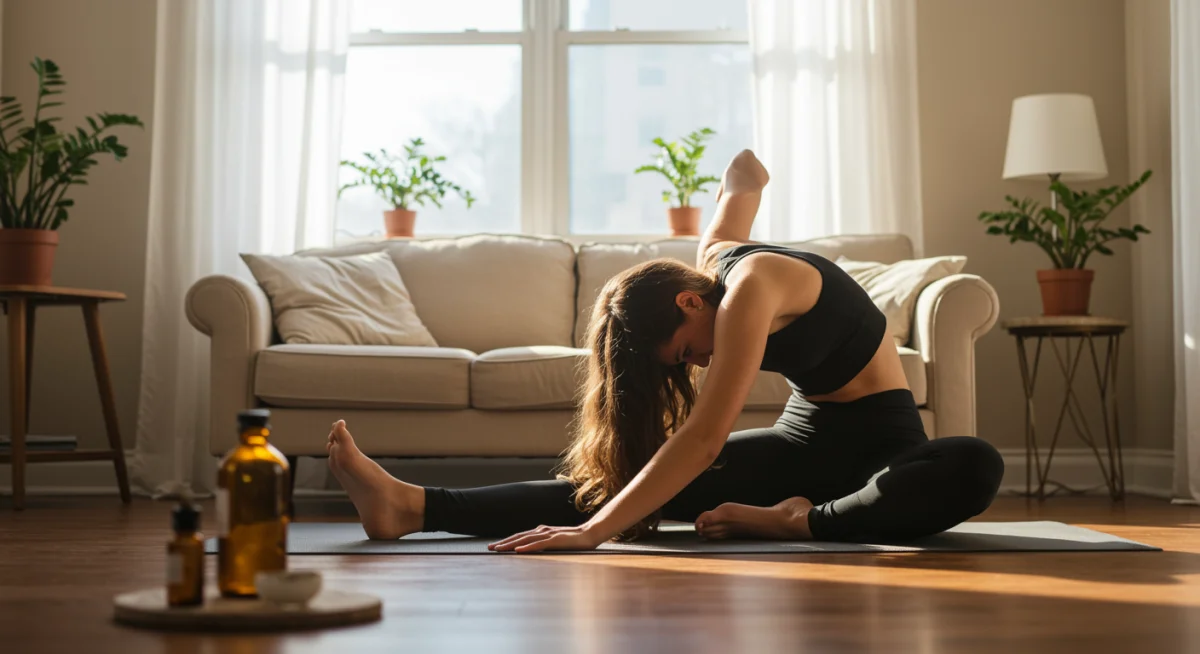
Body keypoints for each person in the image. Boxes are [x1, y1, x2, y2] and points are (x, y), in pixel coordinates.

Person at [325, 150, 1003, 553]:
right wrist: (746, 179)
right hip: (804, 443)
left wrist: (592, 536)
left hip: (884, 449)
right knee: (626, 489)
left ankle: (798, 522)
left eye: (682, 353)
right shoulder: (713, 261)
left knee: (974, 465)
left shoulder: (750, 289)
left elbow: (703, 439)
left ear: (688, 303)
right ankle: (414, 507)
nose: (695, 363)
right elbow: (741, 181)